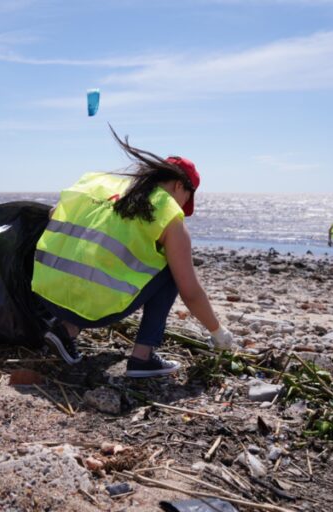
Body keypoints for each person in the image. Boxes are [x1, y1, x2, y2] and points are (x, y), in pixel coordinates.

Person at [30, 130, 237, 378]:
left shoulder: (98, 183)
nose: (182, 206)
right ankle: (143, 357)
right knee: (172, 271)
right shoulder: (167, 211)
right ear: (180, 185)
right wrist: (218, 332)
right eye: (186, 198)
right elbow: (190, 292)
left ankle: (66, 329)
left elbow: (54, 215)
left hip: (46, 294)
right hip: (93, 311)